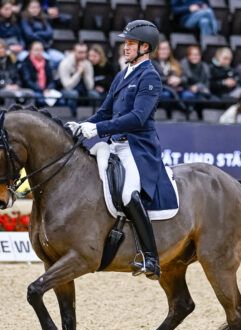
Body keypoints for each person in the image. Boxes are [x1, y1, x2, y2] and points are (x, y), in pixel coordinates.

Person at [66, 20, 168, 280]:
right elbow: (105, 112)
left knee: (127, 193)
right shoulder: (122, 75)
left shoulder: (150, 77)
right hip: (114, 145)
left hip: (136, 147)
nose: (126, 47)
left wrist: (98, 130)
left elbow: (137, 118)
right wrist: (83, 126)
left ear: (145, 47)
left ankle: (151, 258)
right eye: (125, 43)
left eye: (131, 44)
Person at [0, 38, 34, 106]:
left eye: (2, 48)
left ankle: (28, 114)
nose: (1, 50)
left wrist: (17, 85)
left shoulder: (11, 61)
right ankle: (9, 115)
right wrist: (4, 86)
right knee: (9, 95)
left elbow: (18, 77)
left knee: (30, 93)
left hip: (13, 87)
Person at [58, 42, 101, 116]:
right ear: (74, 52)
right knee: (73, 94)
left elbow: (90, 87)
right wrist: (78, 73)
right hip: (65, 90)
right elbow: (67, 86)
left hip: (83, 90)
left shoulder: (87, 64)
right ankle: (73, 117)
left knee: (94, 95)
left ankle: (92, 118)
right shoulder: (65, 64)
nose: (83, 55)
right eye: (80, 52)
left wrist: (85, 74)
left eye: (84, 52)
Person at [20, 0, 64, 69]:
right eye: (33, 7)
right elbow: (30, 36)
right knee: (46, 61)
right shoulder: (24, 20)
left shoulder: (43, 18)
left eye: (37, 7)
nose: (35, 9)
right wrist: (43, 37)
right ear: (28, 8)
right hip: (31, 50)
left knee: (62, 58)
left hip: (45, 48)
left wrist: (37, 33)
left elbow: (50, 33)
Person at [20, 40, 61, 106]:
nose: (39, 52)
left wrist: (48, 89)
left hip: (47, 91)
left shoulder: (47, 62)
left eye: (41, 49)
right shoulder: (26, 63)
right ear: (30, 51)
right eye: (36, 49)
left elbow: (51, 79)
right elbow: (27, 82)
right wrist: (42, 90)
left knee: (61, 101)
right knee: (40, 100)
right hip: (34, 90)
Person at [151, 40, 186, 112]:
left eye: (167, 49)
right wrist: (168, 79)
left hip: (176, 88)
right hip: (160, 90)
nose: (165, 51)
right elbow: (152, 78)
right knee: (166, 95)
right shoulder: (151, 63)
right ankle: (167, 114)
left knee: (188, 95)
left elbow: (185, 78)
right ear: (157, 50)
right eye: (163, 49)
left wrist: (179, 80)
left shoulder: (175, 63)